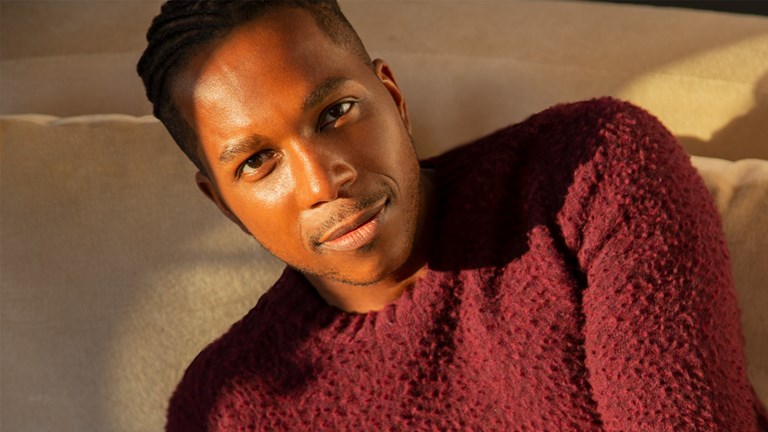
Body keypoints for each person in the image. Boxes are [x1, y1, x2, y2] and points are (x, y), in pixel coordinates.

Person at [137, 1, 767, 430]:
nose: (324, 179)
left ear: (392, 95)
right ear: (222, 203)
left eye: (335, 114)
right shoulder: (225, 406)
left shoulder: (590, 171)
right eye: (257, 163)